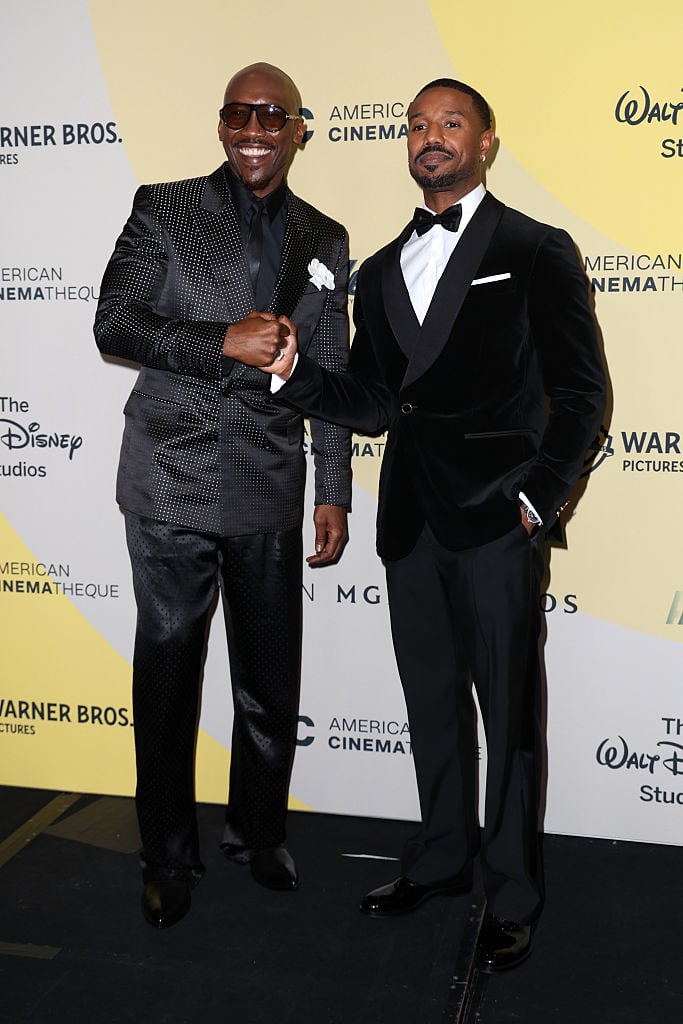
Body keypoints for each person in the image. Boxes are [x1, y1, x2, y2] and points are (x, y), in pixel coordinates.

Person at [266, 78, 606, 971]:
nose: (431, 138)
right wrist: (296, 374)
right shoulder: (376, 271)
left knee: (510, 719)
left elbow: (581, 394)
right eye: (417, 126)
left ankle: (514, 892)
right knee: (432, 711)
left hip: (498, 521)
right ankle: (444, 857)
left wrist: (539, 498)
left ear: (486, 141)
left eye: (450, 124)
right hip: (411, 523)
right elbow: (373, 401)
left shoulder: (536, 249)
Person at [94, 63, 351, 930]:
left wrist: (334, 489)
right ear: (220, 124)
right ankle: (165, 854)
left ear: (297, 131)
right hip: (170, 476)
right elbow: (114, 323)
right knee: (168, 679)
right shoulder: (162, 207)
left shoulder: (325, 235)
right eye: (241, 113)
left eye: (273, 115)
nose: (255, 127)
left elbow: (333, 375)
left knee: (269, 681)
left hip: (271, 483)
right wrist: (223, 340)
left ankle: (259, 831)